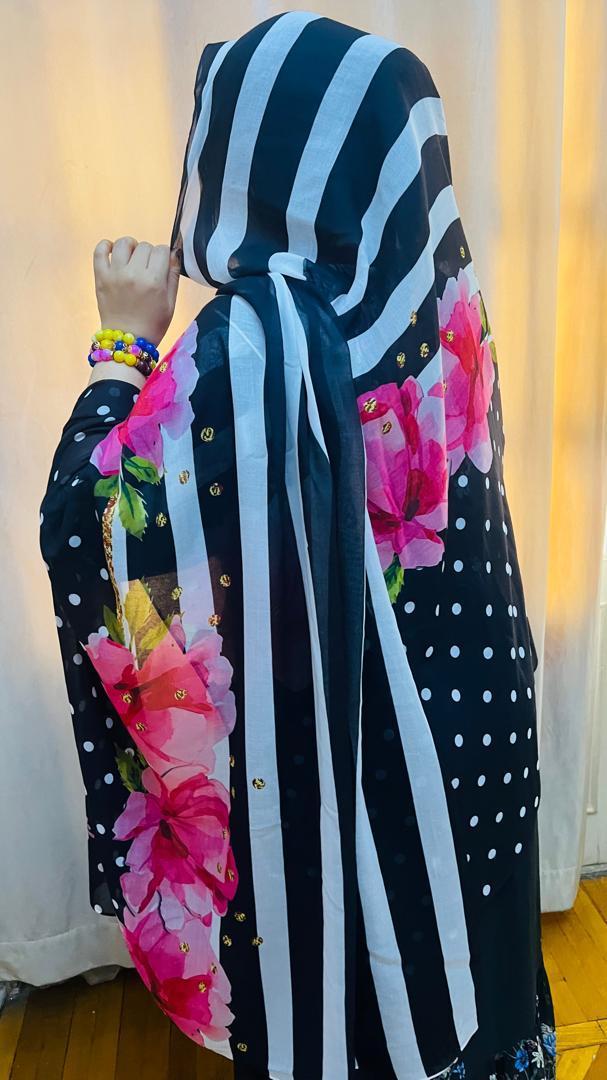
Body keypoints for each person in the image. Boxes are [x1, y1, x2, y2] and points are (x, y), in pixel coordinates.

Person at [40, 11, 556, 1079]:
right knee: (471, 978)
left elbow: (92, 527)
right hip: (479, 731)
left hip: (363, 770)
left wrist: (124, 341)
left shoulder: (258, 342)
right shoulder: (435, 293)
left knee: (364, 995)